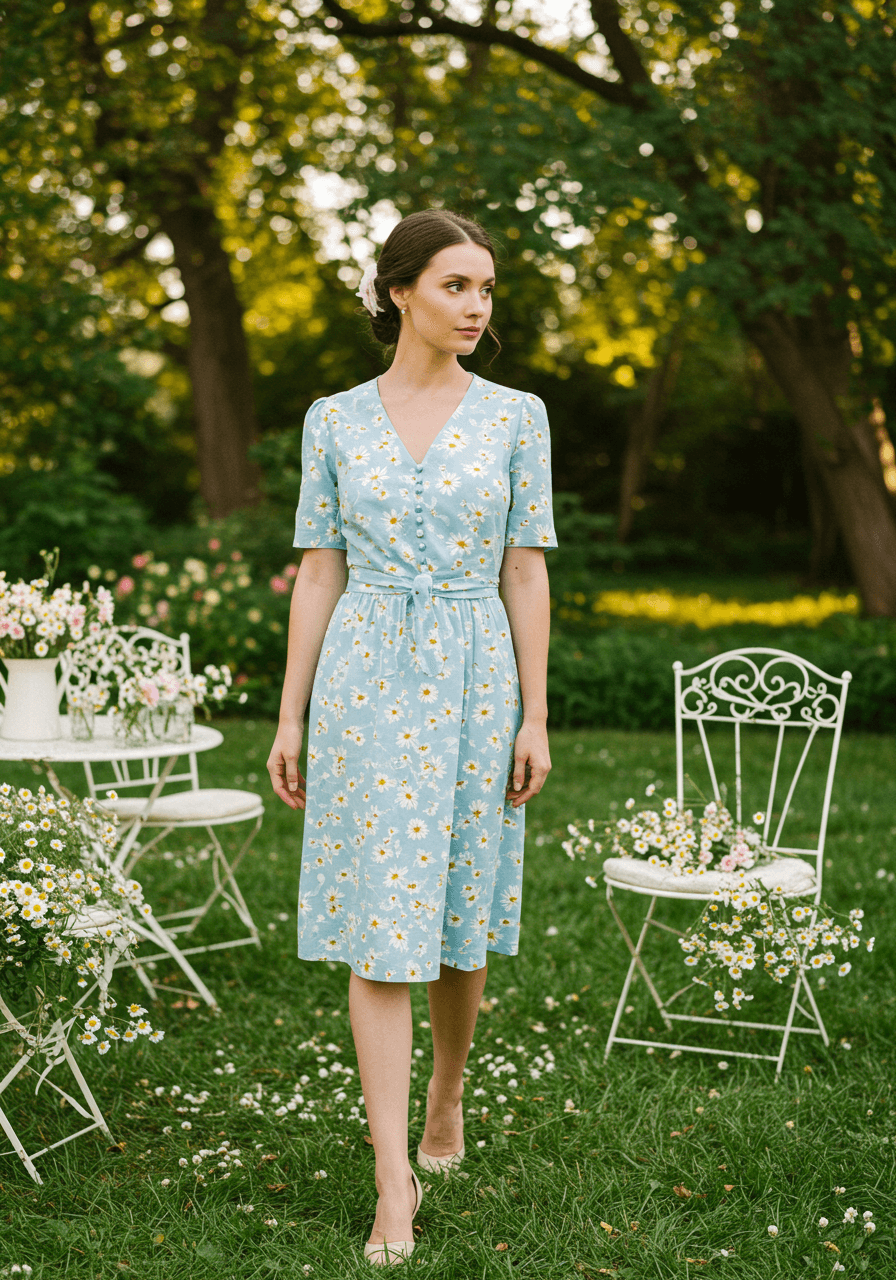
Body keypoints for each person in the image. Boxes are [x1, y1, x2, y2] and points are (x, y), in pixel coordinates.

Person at [267, 208, 556, 1265]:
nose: (476, 306)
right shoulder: (333, 418)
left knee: (454, 908)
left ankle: (447, 1091)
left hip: (478, 675)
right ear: (398, 292)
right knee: (381, 916)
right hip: (363, 679)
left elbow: (523, 568)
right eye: (455, 286)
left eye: (485, 289)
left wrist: (534, 707)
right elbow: (318, 567)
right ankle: (394, 1176)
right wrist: (290, 710)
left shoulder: (518, 416)